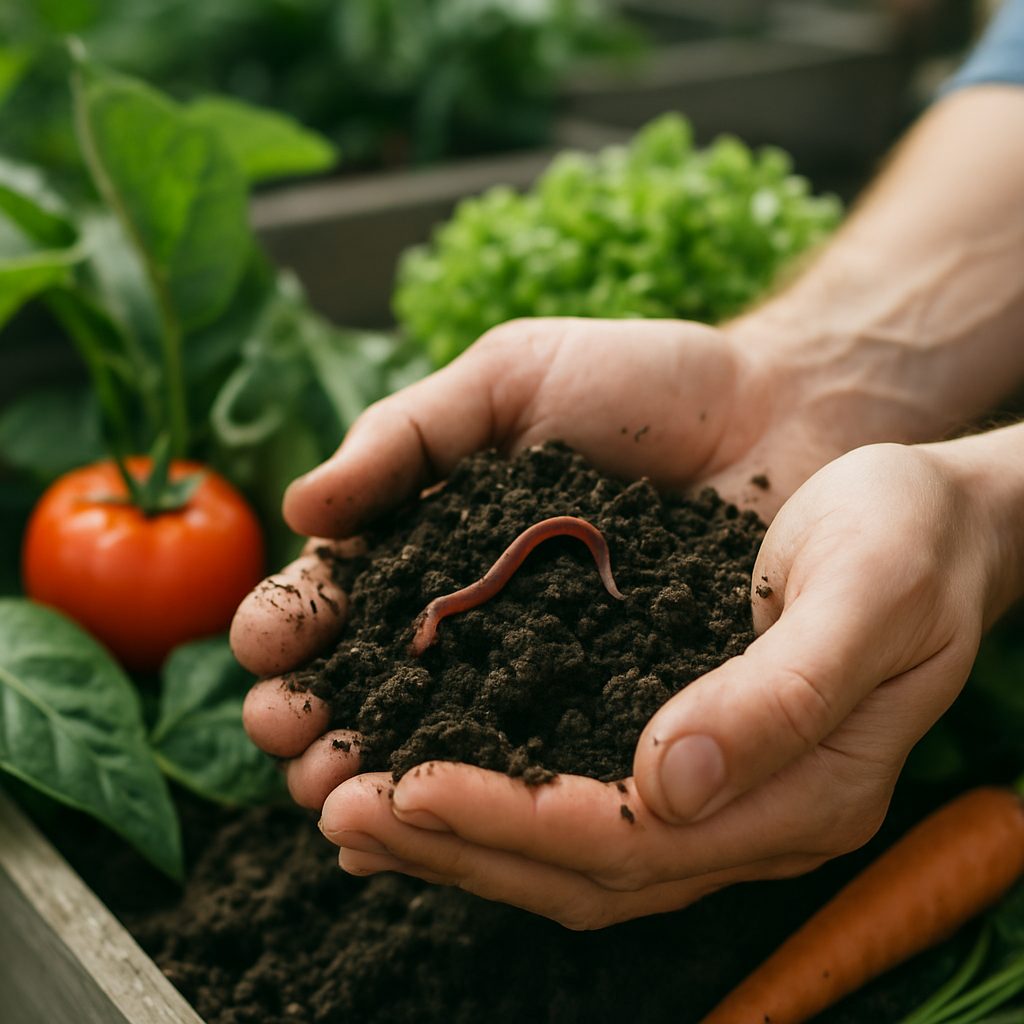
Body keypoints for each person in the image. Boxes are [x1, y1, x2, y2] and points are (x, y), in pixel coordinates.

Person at [230, 3, 1024, 929]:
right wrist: (808, 377)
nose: (429, 631)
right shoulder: (447, 603)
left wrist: (989, 505)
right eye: (426, 632)